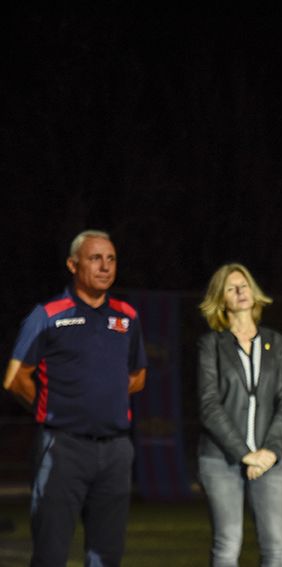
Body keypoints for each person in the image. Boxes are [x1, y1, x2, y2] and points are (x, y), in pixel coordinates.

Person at [2, 229, 147, 566]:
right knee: (51, 553)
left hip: (116, 451)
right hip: (63, 448)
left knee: (107, 555)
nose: (105, 267)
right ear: (72, 264)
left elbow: (139, 376)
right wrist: (54, 410)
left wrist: (102, 394)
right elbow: (14, 378)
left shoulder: (127, 315)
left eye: (111, 259)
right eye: (95, 258)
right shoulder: (48, 314)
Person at [197, 263, 282, 566]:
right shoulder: (210, 344)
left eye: (244, 285)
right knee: (227, 544)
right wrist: (244, 453)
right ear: (220, 298)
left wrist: (270, 452)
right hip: (220, 459)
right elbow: (209, 405)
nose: (240, 291)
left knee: (277, 547)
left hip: (269, 459)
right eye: (231, 287)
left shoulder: (274, 341)